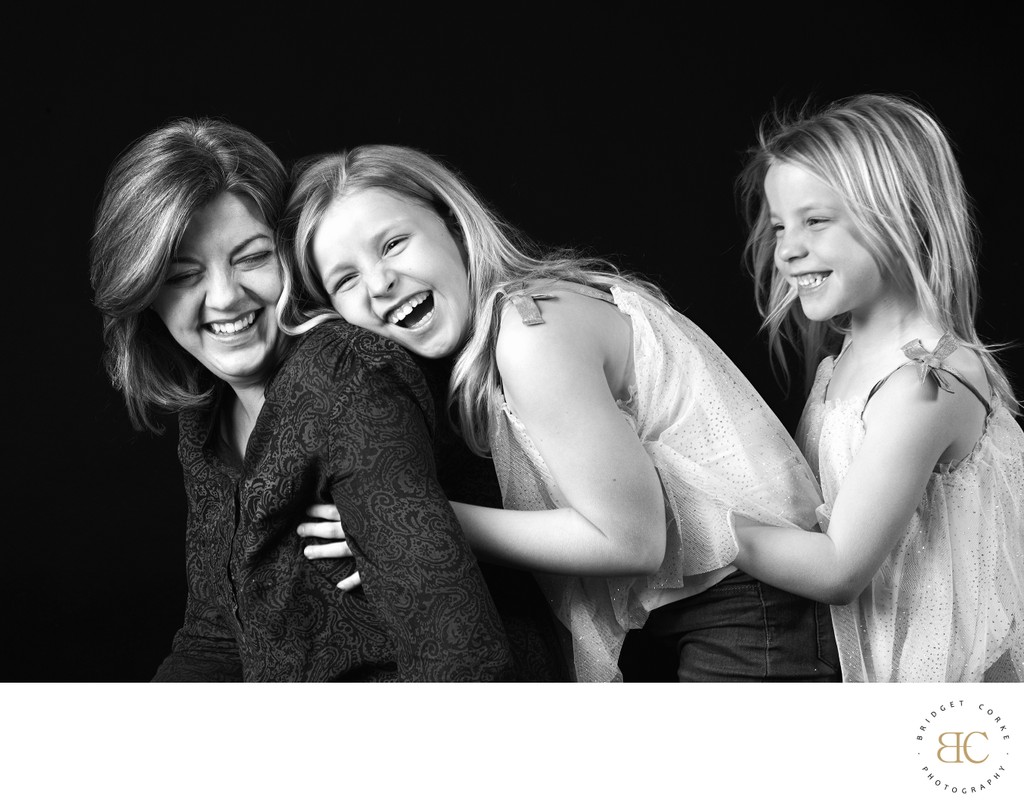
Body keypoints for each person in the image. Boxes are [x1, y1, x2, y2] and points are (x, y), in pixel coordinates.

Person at [280, 144, 839, 683]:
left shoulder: (531, 333)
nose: (379, 284)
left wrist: (408, 522)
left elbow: (630, 542)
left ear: (453, 224)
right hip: (697, 617)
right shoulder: (487, 345)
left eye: (394, 244)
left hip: (754, 611)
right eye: (346, 280)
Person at [89, 118, 513, 682]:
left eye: (251, 257)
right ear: (146, 295)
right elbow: (215, 638)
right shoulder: (208, 420)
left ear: (289, 253)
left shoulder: (346, 374)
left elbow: (458, 651)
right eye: (184, 274)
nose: (224, 297)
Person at [732, 94, 1024, 682]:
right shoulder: (845, 360)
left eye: (815, 221)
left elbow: (839, 567)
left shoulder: (927, 381)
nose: (787, 249)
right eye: (781, 225)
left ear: (900, 213)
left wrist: (690, 521)